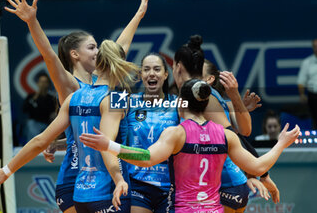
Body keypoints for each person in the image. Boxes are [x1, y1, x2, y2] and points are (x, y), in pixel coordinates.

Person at [5, 0, 148, 213]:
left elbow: (120, 50)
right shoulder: (73, 88)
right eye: (92, 47)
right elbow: (49, 56)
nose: (97, 51)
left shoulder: (106, 89)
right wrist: (32, 22)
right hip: (78, 178)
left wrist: (138, 15)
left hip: (106, 174)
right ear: (75, 54)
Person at [79, 79, 300, 213]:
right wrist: (281, 143)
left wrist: (109, 145)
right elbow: (260, 166)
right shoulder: (225, 136)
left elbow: (146, 158)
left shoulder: (176, 134)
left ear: (181, 104)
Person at [0, 40, 140, 213]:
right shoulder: (115, 98)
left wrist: (6, 171)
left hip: (81, 195)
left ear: (97, 64)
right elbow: (106, 145)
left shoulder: (74, 98)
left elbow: (41, 141)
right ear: (120, 65)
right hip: (108, 192)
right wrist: (119, 179)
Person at [172, 35, 279, 212]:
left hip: (224, 184)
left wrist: (262, 174)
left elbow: (236, 136)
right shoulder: (198, 96)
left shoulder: (206, 98)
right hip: (218, 184)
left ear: (178, 67)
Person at [125, 54, 179, 213]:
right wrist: (59, 143)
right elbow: (105, 130)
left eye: (157, 69)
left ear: (165, 74)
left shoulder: (178, 104)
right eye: (146, 69)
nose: (151, 73)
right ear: (141, 75)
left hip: (169, 185)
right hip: (137, 183)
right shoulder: (128, 102)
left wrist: (235, 108)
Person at [22, 73, 57, 142]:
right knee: (31, 124)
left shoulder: (51, 98)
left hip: (47, 124)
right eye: (41, 82)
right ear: (37, 83)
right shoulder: (31, 97)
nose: (43, 84)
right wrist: (35, 98)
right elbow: (24, 109)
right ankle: (32, 146)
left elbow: (53, 113)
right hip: (34, 123)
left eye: (45, 82)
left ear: (48, 84)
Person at [297, 39, 317, 129]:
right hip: (313, 96)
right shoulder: (307, 62)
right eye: (315, 46)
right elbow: (301, 81)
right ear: (313, 48)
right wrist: (302, 94)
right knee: (314, 120)